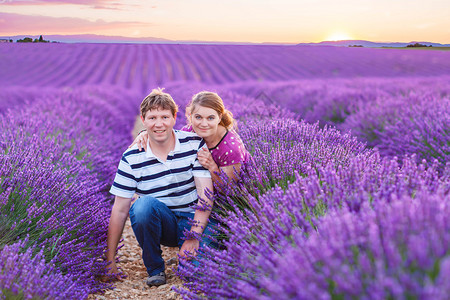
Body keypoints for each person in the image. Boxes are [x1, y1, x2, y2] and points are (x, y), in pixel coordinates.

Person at [106, 88, 215, 287]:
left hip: (193, 220)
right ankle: (155, 268)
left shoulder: (194, 144)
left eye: (165, 116)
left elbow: (205, 197)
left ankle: (186, 259)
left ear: (175, 117)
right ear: (143, 119)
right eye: (152, 117)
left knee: (194, 274)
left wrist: (193, 237)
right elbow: (119, 210)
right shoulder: (131, 157)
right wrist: (110, 260)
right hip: (162, 223)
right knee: (141, 207)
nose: (159, 124)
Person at [132, 91, 250, 184]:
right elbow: (168, 137)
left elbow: (228, 190)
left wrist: (212, 166)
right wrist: (146, 134)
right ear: (190, 115)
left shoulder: (230, 148)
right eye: (198, 117)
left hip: (238, 200)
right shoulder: (190, 131)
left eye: (210, 118)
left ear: (219, 117)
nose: (204, 124)